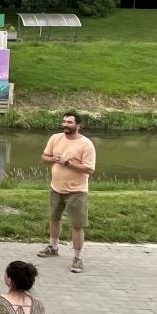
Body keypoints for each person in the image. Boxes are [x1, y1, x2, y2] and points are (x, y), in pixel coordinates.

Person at [39, 111, 97, 272]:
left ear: (78, 125)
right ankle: (53, 247)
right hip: (56, 187)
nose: (65, 125)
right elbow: (44, 157)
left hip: (77, 190)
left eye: (69, 122)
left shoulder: (86, 144)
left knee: (77, 225)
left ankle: (77, 258)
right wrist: (54, 159)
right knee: (54, 218)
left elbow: (89, 169)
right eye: (64, 121)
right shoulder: (55, 138)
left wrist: (67, 163)